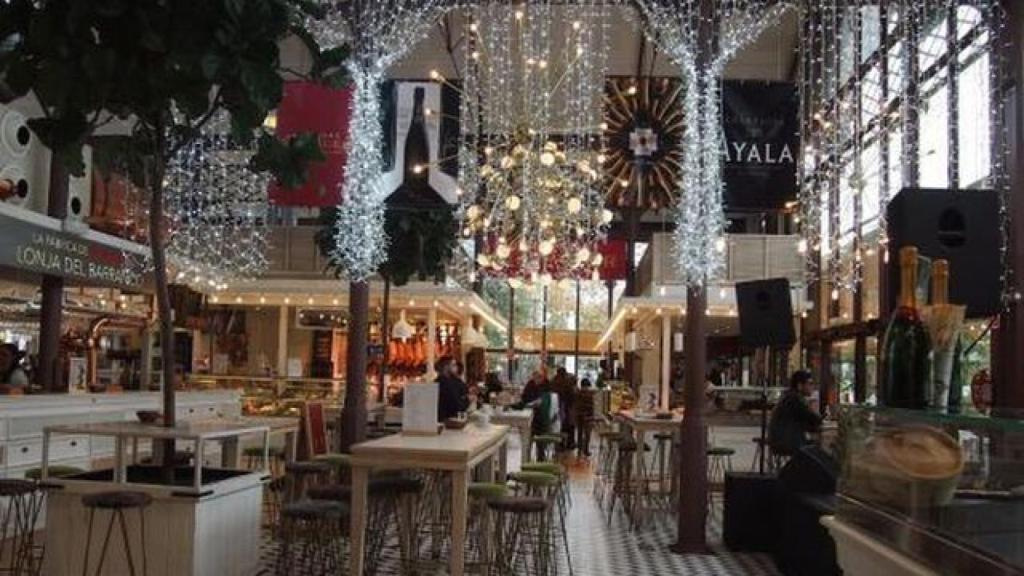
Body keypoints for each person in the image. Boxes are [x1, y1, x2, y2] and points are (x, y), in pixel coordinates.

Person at [768, 370, 823, 457]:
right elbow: (813, 419)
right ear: (800, 386)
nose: (813, 387)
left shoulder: (790, 397)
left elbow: (808, 422)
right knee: (821, 448)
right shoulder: (795, 400)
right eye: (810, 383)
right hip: (788, 442)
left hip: (782, 440)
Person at [436, 356, 469, 422]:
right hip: (450, 422)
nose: (456, 368)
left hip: (440, 421)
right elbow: (458, 406)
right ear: (446, 367)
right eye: (453, 365)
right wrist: (468, 400)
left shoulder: (436, 381)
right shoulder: (448, 384)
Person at [575, 378, 596, 457]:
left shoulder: (577, 393)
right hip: (587, 416)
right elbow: (591, 406)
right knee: (587, 434)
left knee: (580, 433)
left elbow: (576, 405)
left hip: (579, 415)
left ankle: (580, 448)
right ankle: (585, 449)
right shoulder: (589, 394)